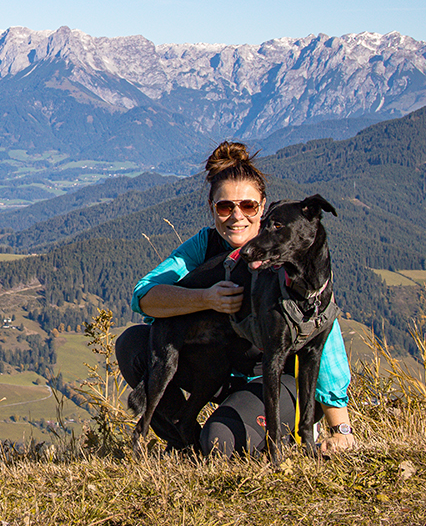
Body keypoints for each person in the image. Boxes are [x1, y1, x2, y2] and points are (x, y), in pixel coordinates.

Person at [115, 141, 356, 457]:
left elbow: (324, 339)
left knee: (220, 442)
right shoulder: (205, 245)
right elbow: (145, 295)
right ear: (213, 208)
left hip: (273, 380)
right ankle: (186, 442)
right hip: (218, 374)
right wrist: (207, 298)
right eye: (225, 207)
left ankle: (270, 435)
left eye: (249, 206)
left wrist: (341, 430)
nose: (236, 217)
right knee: (134, 343)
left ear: (264, 207)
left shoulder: (287, 255)